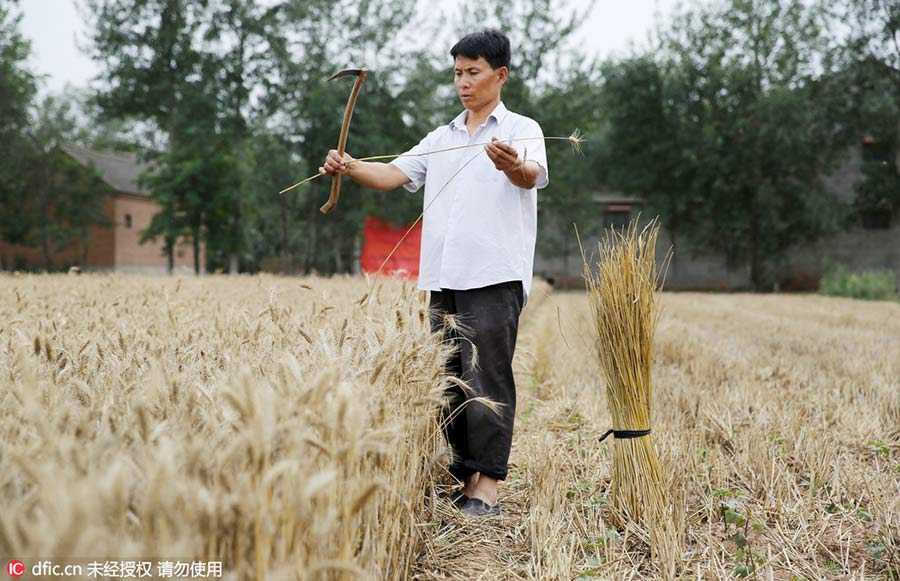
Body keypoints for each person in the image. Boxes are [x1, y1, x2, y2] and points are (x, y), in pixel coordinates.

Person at [320, 29, 549, 517]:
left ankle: (487, 487)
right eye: (458, 73)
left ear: (499, 75)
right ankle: (464, 476)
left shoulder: (521, 129)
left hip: (494, 276)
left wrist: (510, 166)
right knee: (449, 381)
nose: (463, 82)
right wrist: (350, 165)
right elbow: (392, 175)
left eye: (473, 72)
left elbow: (529, 174)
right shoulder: (441, 137)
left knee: (487, 379)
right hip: (444, 278)